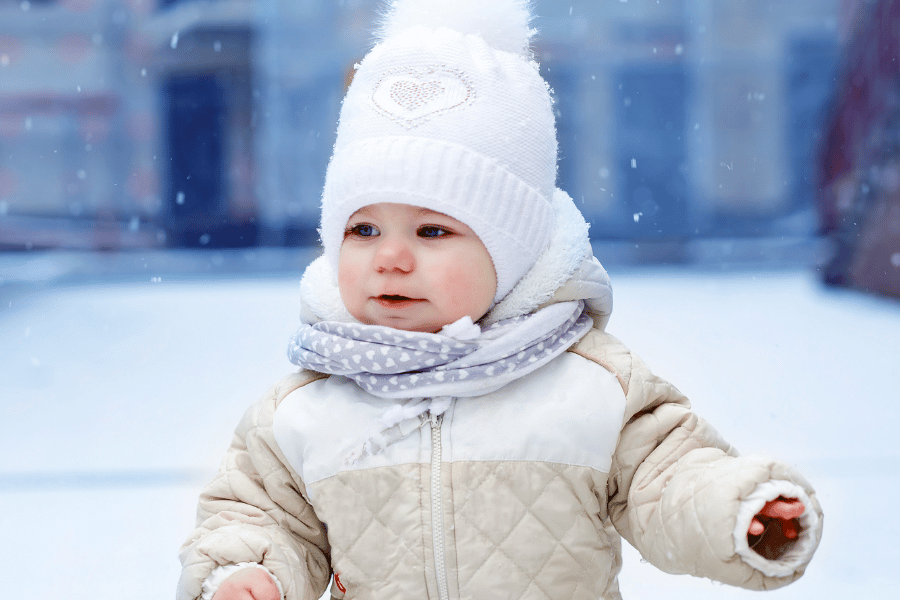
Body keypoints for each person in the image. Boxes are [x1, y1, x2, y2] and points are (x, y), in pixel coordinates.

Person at [178, 1, 823, 599]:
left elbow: (671, 480)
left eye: (433, 231)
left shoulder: (593, 387)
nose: (390, 257)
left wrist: (737, 512)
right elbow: (258, 513)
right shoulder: (306, 410)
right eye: (363, 229)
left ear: (510, 253)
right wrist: (247, 571)